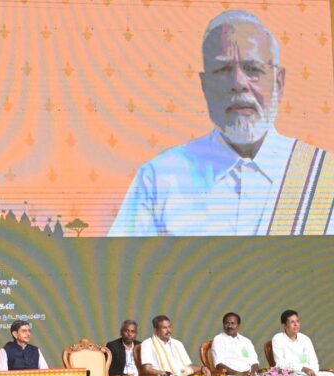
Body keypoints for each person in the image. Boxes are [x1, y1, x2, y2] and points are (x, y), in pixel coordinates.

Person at [109, 10, 330, 236]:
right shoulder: (159, 178)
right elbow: (118, 258)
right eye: (223, 70)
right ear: (205, 86)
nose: (238, 83)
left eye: (253, 69)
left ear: (279, 83)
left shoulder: (326, 176)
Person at [271, 310, 334, 376]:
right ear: (284, 325)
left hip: (309, 374)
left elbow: (314, 361)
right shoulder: (278, 338)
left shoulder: (305, 339)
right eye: (292, 322)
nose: (296, 324)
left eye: (297, 321)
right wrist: (302, 368)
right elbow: (280, 363)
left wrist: (312, 373)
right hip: (292, 375)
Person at [140, 315, 209, 376]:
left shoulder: (178, 343)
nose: (168, 330)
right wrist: (164, 374)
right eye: (164, 328)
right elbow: (147, 369)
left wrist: (202, 368)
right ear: (156, 330)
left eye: (169, 327)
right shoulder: (147, 343)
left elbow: (187, 368)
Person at [210, 312, 259, 376]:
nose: (229, 326)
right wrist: (240, 374)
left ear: (238, 325)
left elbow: (254, 362)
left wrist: (252, 373)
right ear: (223, 325)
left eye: (233, 323)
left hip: (250, 375)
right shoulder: (218, 340)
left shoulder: (246, 341)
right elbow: (219, 364)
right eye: (227, 323)